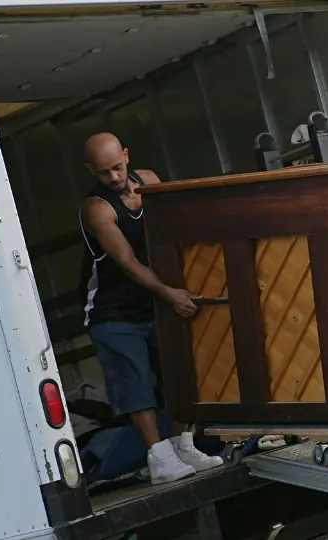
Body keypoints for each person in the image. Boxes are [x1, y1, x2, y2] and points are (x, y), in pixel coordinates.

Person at [78, 133, 223, 485]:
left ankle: (183, 444)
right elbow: (127, 262)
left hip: (154, 302)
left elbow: (177, 225)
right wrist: (170, 293)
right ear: (90, 172)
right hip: (113, 313)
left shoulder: (151, 182)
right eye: (103, 173)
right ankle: (159, 458)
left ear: (126, 156)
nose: (113, 177)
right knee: (136, 385)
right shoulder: (96, 208)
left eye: (117, 167)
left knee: (179, 372)